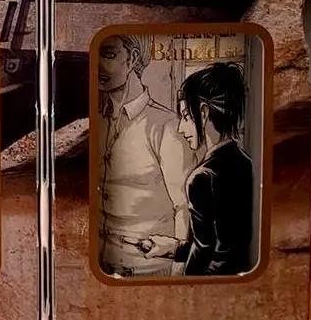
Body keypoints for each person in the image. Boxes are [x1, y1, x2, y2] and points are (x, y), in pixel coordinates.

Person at [142, 62, 255, 275]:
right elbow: (222, 245)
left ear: (203, 113)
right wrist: (173, 248)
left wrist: (188, 285)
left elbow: (207, 254)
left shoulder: (201, 178)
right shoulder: (245, 162)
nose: (180, 128)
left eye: (185, 116)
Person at [95, 34, 191, 277]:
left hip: (151, 272)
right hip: (102, 271)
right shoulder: (98, 122)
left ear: (133, 58)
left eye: (108, 55)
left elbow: (184, 207)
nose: (97, 65)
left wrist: (178, 275)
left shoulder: (166, 126)